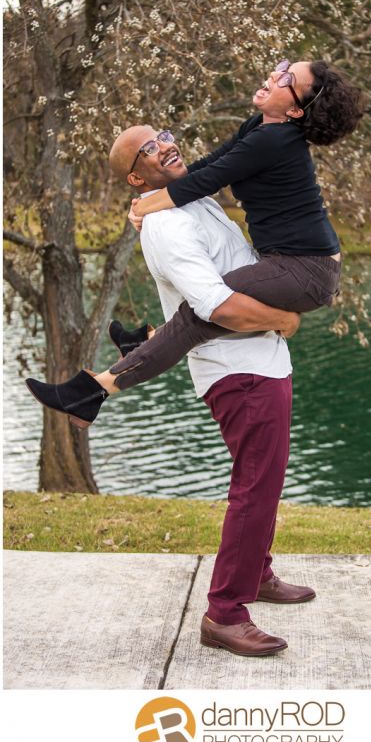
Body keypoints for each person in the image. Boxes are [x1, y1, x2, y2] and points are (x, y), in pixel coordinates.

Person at [25, 58, 365, 427]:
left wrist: (144, 205)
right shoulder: (259, 127)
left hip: (305, 270)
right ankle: (146, 342)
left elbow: (206, 180)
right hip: (295, 264)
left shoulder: (276, 139)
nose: (273, 74)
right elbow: (209, 165)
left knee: (204, 311)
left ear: (296, 110)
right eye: (281, 66)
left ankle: (94, 390)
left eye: (286, 78)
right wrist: (145, 203)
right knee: (204, 309)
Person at [94, 125, 318, 656]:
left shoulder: (191, 199)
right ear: (135, 178)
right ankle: (225, 613)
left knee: (264, 483)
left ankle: (256, 574)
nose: (165, 145)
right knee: (254, 488)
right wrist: (284, 319)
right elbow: (215, 306)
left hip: (262, 361)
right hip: (237, 370)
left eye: (164, 135)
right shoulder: (167, 225)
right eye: (149, 149)